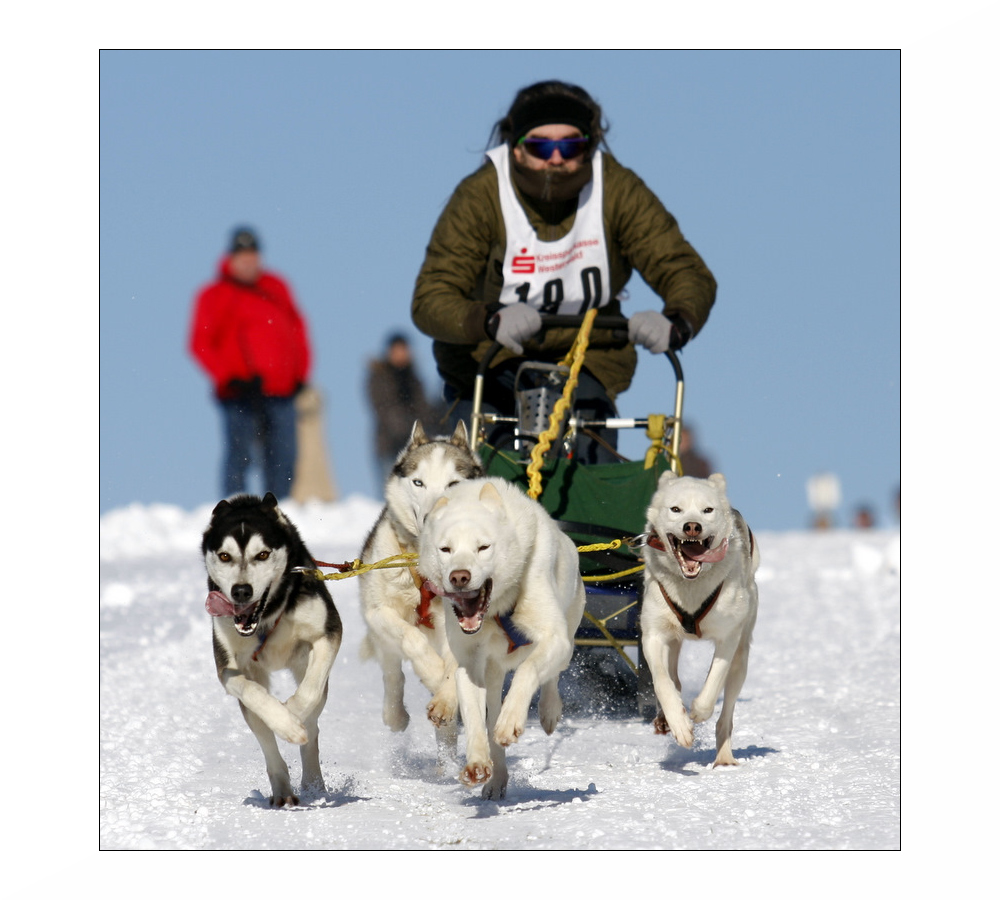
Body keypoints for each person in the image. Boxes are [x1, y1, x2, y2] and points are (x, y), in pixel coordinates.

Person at [412, 80, 716, 463]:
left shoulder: (617, 191)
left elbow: (685, 270)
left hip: (588, 359)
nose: (555, 158)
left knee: (591, 477)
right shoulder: (482, 196)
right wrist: (487, 320)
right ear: (517, 147)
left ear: (588, 146)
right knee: (483, 474)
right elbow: (431, 297)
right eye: (541, 146)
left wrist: (677, 320)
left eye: (569, 145)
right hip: (489, 361)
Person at [189, 226, 312, 498]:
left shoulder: (276, 287)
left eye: (253, 254)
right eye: (242, 255)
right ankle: (236, 508)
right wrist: (230, 375)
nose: (248, 261)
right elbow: (201, 344)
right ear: (231, 258)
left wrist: (300, 373)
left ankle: (280, 507)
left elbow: (297, 330)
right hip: (239, 393)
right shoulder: (214, 295)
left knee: (283, 455)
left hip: (281, 390)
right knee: (240, 454)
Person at [366, 332, 440, 484]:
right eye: (397, 350)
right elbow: (383, 408)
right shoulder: (380, 377)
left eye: (403, 350)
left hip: (412, 445)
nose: (400, 354)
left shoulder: (414, 378)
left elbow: (423, 408)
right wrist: (406, 427)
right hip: (389, 444)